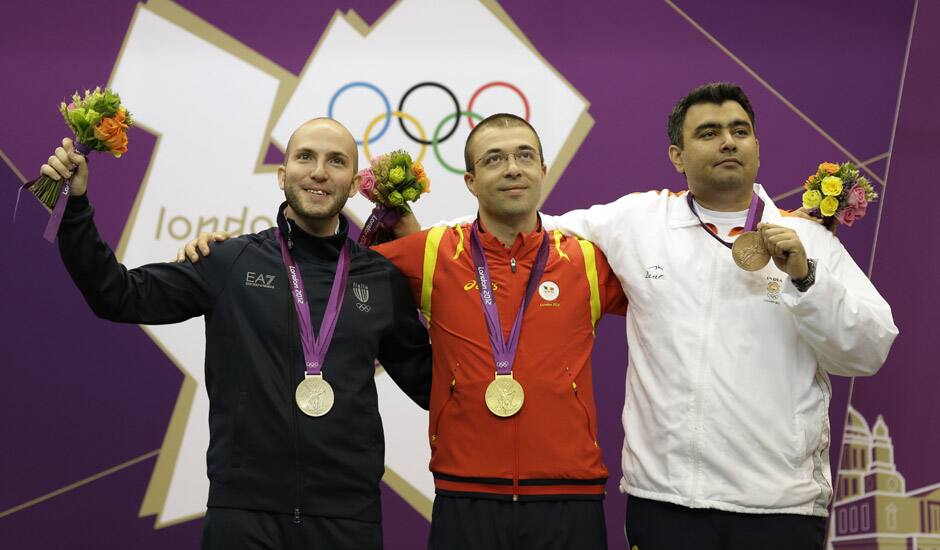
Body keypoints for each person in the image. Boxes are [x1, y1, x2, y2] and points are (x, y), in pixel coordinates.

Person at [183, 114, 628, 550]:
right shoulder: (432, 251)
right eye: (494, 159)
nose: (512, 167)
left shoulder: (589, 261)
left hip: (571, 493)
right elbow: (324, 268)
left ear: (543, 170)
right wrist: (226, 253)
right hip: (465, 493)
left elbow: (674, 309)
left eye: (524, 156)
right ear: (471, 181)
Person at [40, 118, 432, 550]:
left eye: (336, 161)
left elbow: (434, 385)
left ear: (354, 184)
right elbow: (116, 295)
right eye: (305, 157)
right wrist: (76, 207)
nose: (319, 171)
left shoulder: (380, 279)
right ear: (282, 176)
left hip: (348, 519)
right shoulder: (229, 260)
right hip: (245, 517)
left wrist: (436, 289)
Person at [539, 82, 899, 549]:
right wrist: (422, 241)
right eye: (708, 132)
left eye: (740, 130)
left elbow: (869, 350)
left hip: (778, 508)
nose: (728, 141)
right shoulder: (637, 222)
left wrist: (807, 279)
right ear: (677, 155)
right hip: (664, 502)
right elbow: (529, 229)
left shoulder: (807, 241)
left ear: (756, 146)